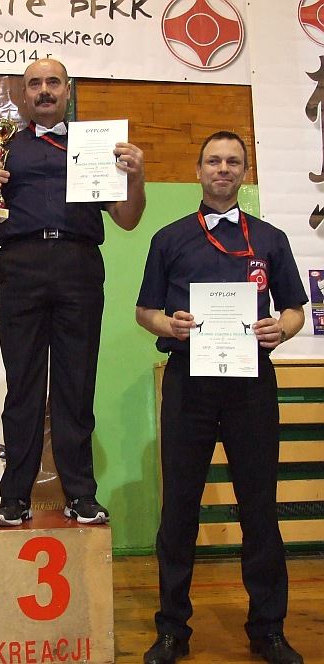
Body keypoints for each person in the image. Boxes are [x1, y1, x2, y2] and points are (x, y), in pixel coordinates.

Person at [136, 131, 307, 664]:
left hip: (251, 385)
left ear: (244, 172)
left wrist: (282, 329)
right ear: (199, 170)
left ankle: (268, 629)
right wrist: (169, 323)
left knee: (259, 508)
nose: (223, 169)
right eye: (214, 160)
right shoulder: (168, 238)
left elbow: (295, 309)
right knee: (179, 509)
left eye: (234, 161)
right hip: (188, 382)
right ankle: (172, 630)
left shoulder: (271, 239)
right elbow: (144, 311)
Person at [0, 58, 146, 526]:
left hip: (78, 266)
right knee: (22, 387)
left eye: (53, 82)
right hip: (20, 266)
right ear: (23, 94)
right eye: (34, 84)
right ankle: (14, 497)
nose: (44, 90)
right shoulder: (4, 148)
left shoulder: (97, 147)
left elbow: (128, 219)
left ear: (67, 90)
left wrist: (135, 176)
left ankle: (80, 494)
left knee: (75, 385)